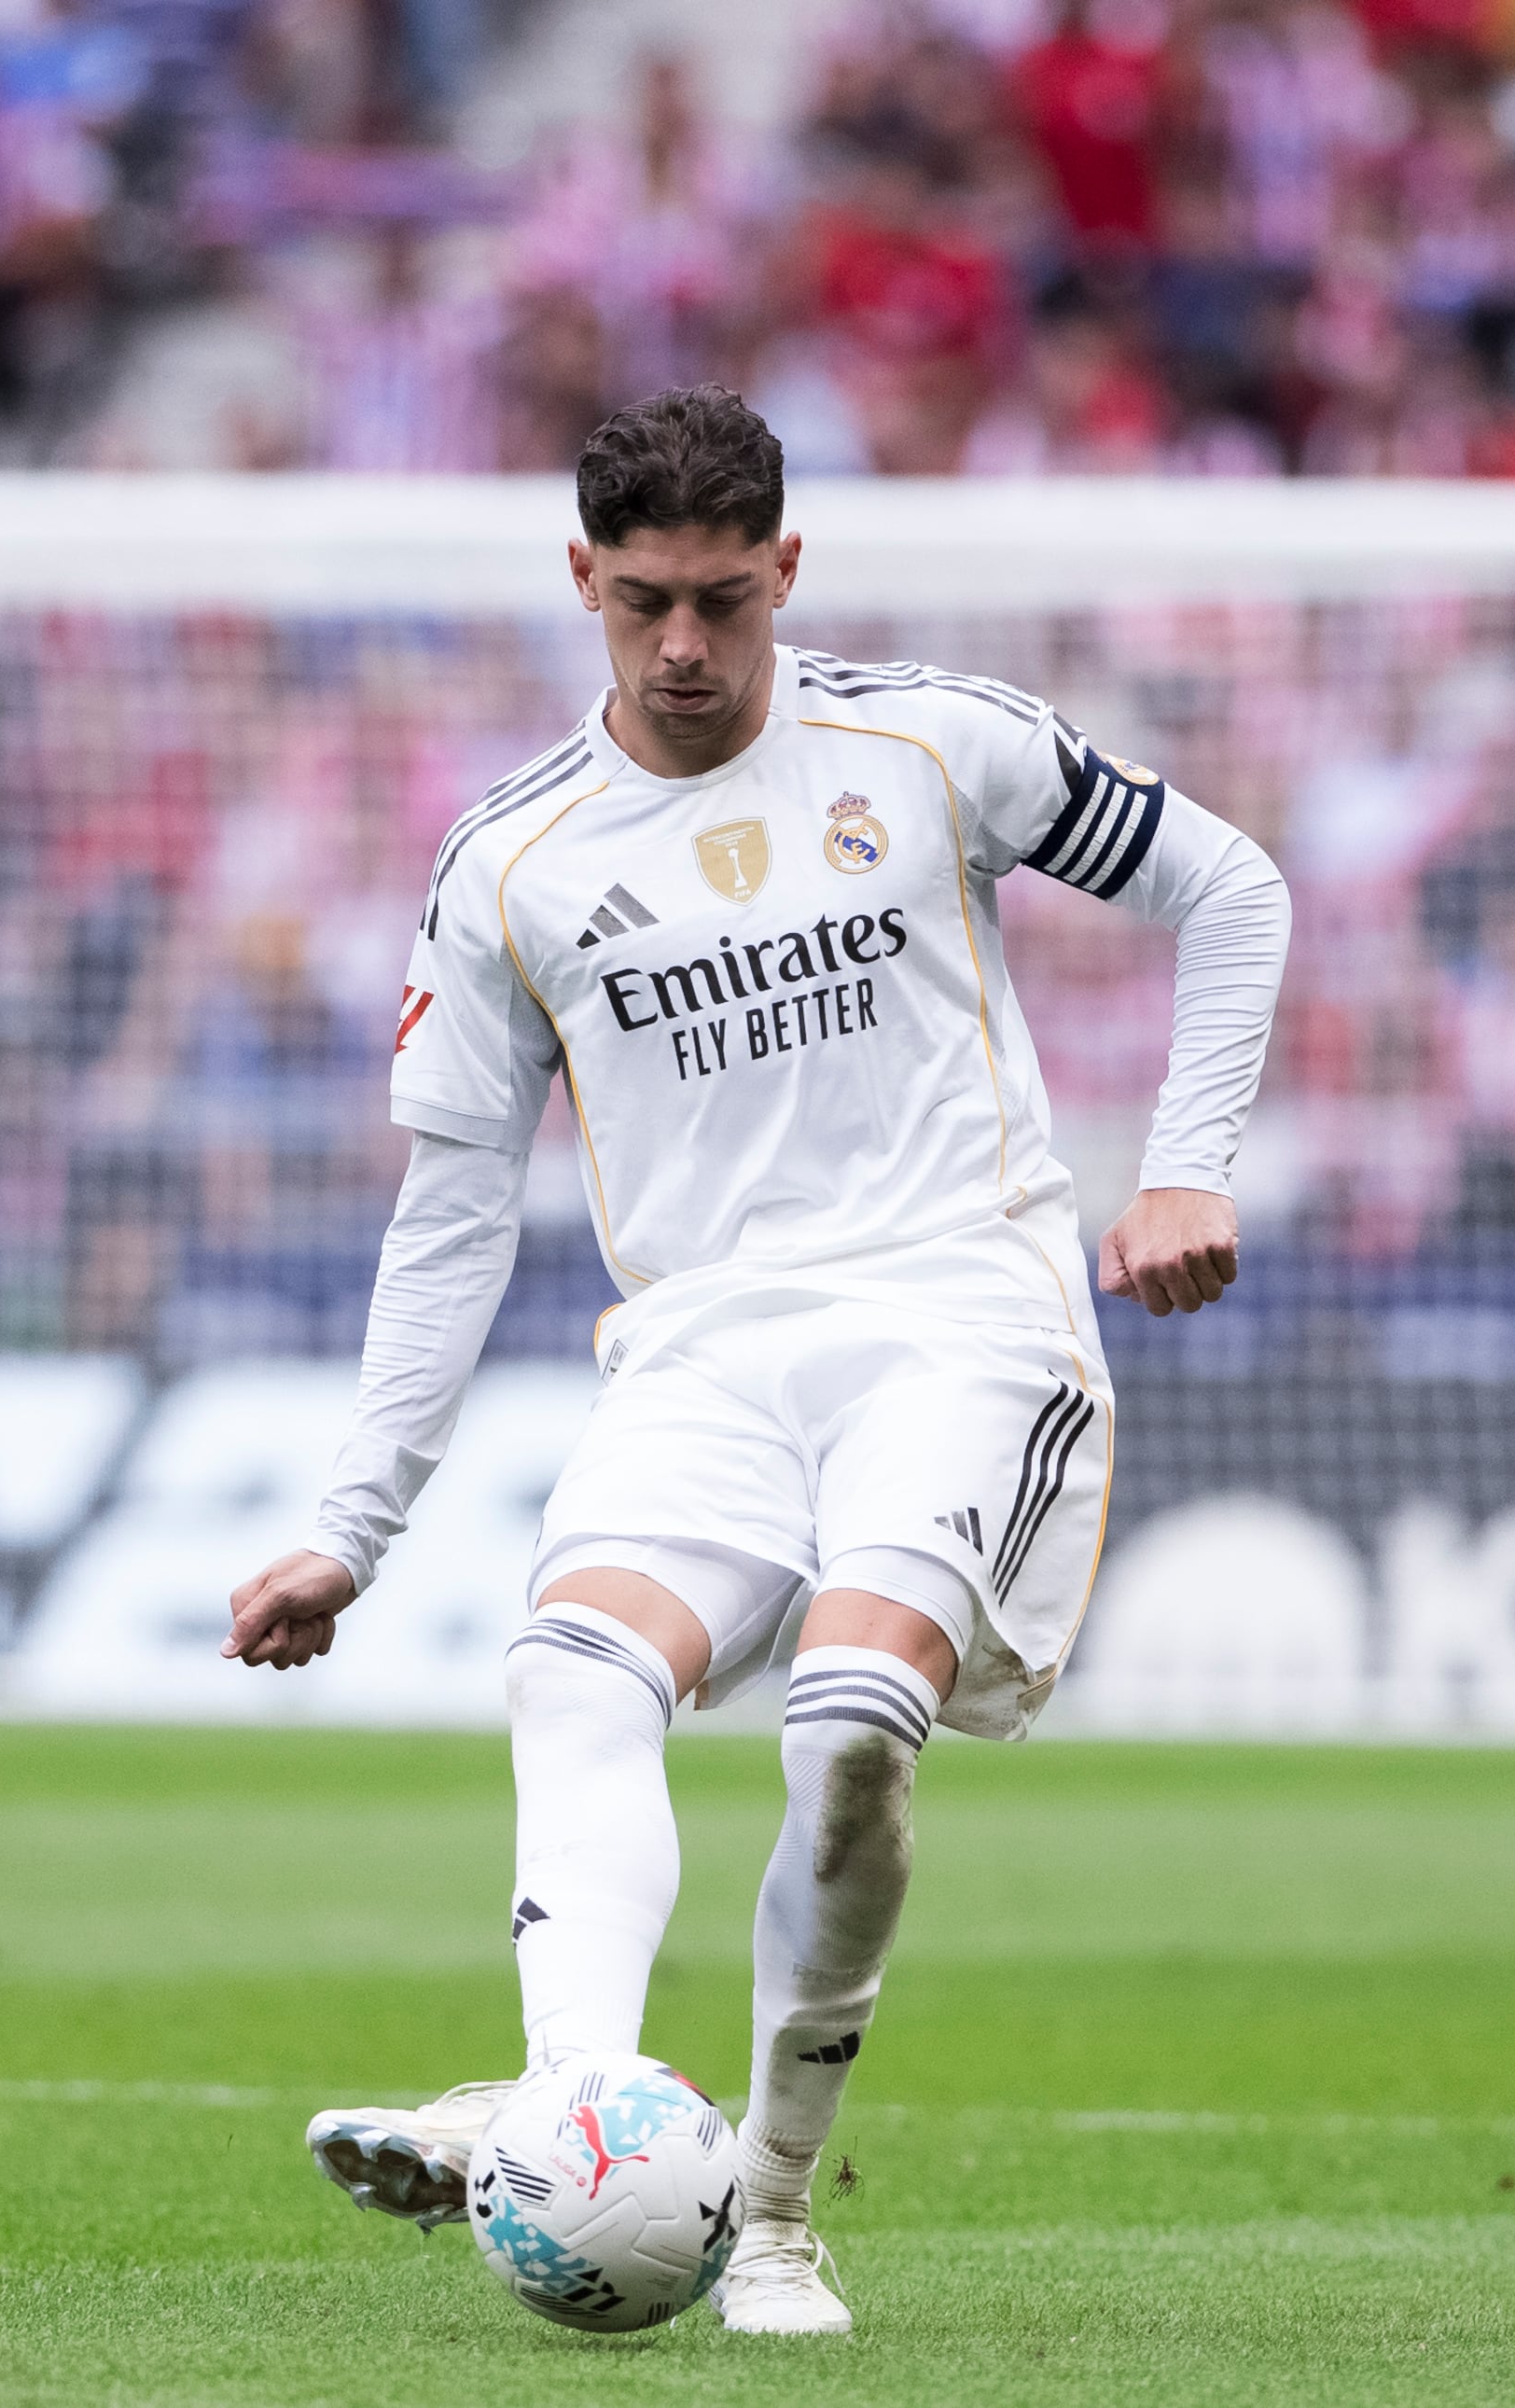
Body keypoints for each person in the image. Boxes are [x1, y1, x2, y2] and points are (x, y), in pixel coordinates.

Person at [219, 385, 1291, 2334]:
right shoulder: (512, 862)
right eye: (643, 605)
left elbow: (1230, 884)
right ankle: (575, 2109)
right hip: (704, 1355)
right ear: (581, 581)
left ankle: (773, 2211)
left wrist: (1185, 1163)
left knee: (853, 1726)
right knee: (568, 1674)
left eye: (723, 598)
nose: (687, 647)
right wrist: (349, 1529)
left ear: (787, 567)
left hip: (959, 1315)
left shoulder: (931, 742)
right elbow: (450, 1213)